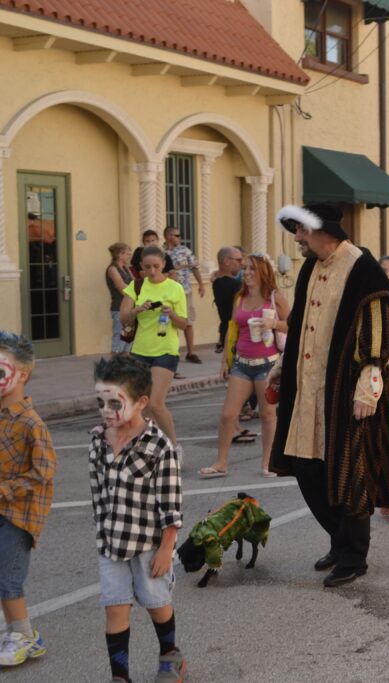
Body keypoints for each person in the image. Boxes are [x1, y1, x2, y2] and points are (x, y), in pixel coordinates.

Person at [268, 203, 389, 588]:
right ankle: (339, 540)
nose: (297, 239)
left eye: (301, 232)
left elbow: (377, 335)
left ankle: (353, 555)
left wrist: (368, 388)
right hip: (307, 388)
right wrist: (282, 365)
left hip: (348, 389)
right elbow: (300, 325)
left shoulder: (364, 270)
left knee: (348, 472)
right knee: (307, 468)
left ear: (322, 231)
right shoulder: (311, 266)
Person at [88, 354, 184, 682]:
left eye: (115, 403)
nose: (106, 411)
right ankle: (120, 675)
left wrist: (166, 548)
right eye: (100, 402)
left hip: (149, 544)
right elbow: (98, 492)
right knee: (115, 607)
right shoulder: (98, 439)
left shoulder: (159, 447)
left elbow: (171, 504)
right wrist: (102, 533)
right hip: (112, 543)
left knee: (156, 602)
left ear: (142, 402)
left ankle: (170, 654)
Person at [201, 254, 290, 479]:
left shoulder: (274, 297)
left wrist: (273, 324)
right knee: (228, 415)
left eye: (252, 269)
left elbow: (293, 325)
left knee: (268, 415)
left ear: (263, 272)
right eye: (245, 269)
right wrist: (225, 361)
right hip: (242, 363)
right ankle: (221, 463)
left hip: (267, 365)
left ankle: (268, 462)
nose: (247, 273)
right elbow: (233, 329)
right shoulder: (239, 297)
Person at [0, 333, 55, 669]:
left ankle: (23, 636)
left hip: (19, 514)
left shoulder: (30, 422)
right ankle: (18, 634)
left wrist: (5, 490)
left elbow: (45, 472)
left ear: (20, 374)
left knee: (9, 577)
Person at [119, 245, 187, 448]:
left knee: (156, 403)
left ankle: (174, 447)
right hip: (140, 349)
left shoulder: (175, 288)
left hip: (166, 348)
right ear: (141, 266)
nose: (152, 271)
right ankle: (156, 445)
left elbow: (183, 324)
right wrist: (137, 309)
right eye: (147, 267)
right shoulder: (136, 286)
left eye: (156, 266)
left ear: (164, 264)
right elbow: (123, 318)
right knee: (143, 404)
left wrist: (171, 313)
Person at [163, 226, 205, 364]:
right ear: (168, 236)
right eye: (177, 235)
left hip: (184, 291)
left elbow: (194, 268)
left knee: (188, 321)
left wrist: (201, 284)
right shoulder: (161, 251)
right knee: (167, 322)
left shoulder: (185, 250)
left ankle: (191, 352)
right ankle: (169, 352)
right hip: (166, 292)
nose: (179, 238)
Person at [211, 246, 243, 354]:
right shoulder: (232, 284)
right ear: (227, 261)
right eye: (238, 260)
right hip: (237, 335)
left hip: (228, 332)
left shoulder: (218, 282)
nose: (241, 263)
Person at [106, 242, 134, 353]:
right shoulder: (112, 269)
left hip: (130, 309)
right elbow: (123, 288)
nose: (130, 256)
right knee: (119, 342)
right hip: (119, 309)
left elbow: (135, 284)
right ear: (120, 254)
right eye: (128, 254)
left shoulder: (126, 268)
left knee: (128, 342)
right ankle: (114, 369)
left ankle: (125, 368)